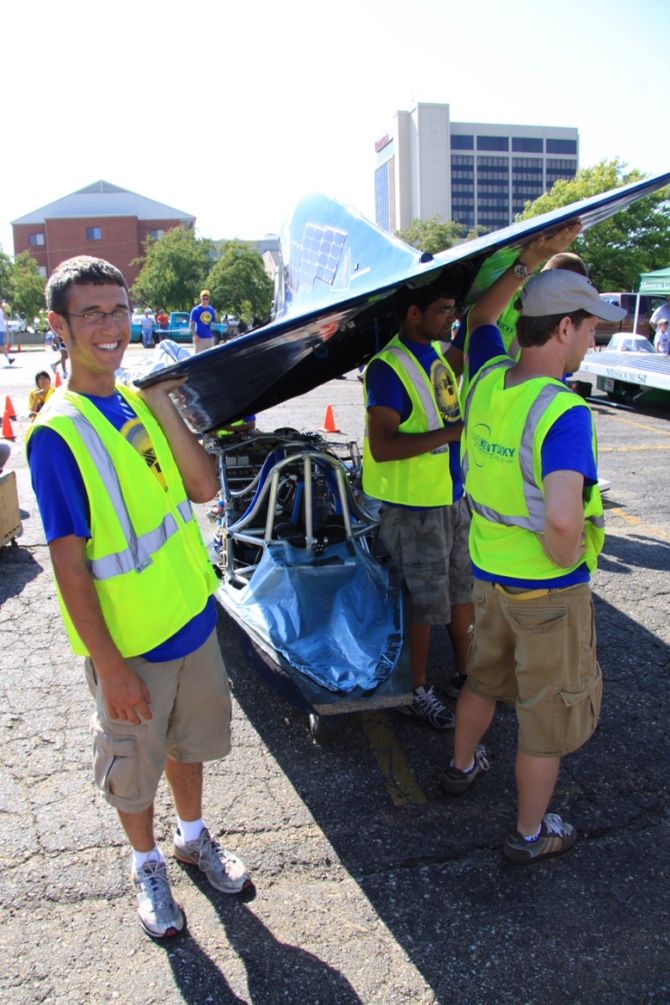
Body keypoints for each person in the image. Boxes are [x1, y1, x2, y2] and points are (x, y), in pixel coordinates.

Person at [27, 256, 252, 939]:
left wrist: (162, 404)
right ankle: (146, 862)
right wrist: (110, 663)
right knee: (134, 770)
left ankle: (191, 836)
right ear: (59, 326)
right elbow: (69, 564)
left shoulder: (135, 398)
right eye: (91, 313)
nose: (110, 326)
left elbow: (203, 486)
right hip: (132, 647)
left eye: (119, 309)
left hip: (191, 618)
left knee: (189, 746)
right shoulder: (57, 434)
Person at [443, 226, 628, 867]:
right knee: (544, 721)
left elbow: (480, 315)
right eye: (588, 328)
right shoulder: (563, 412)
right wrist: (565, 558)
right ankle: (529, 834)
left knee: (482, 682)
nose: (594, 339)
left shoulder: (487, 378)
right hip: (545, 590)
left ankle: (462, 765)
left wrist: (526, 265)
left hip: (489, 577)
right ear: (561, 330)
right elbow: (561, 524)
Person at [362, 277, 473, 729]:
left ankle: (472, 677)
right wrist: (451, 434)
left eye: (453, 310)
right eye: (443, 310)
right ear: (413, 313)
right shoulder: (388, 367)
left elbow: (470, 335)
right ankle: (416, 689)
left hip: (450, 499)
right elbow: (383, 446)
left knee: (462, 592)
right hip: (413, 508)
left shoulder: (437, 359)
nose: (451, 317)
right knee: (423, 604)